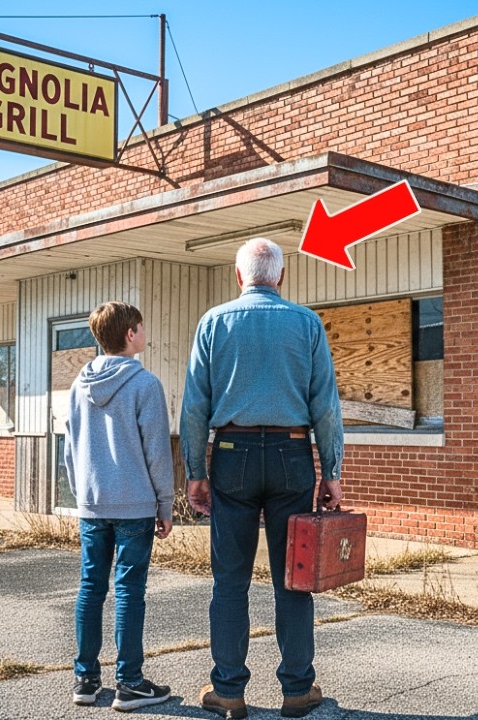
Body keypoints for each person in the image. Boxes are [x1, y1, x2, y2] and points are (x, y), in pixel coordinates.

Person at [181, 237, 344, 719]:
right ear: (281, 277)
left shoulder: (214, 322)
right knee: (293, 577)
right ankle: (297, 689)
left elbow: (194, 406)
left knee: (230, 580)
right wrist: (332, 471)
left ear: (239, 277)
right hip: (293, 454)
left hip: (232, 453)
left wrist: (195, 472)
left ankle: (229, 690)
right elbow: (325, 406)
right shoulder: (307, 323)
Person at [64, 300, 175, 712]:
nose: (144, 333)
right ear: (130, 334)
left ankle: (85, 680)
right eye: (141, 327)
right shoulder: (145, 384)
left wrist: (82, 495)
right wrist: (166, 504)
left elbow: (70, 449)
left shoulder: (78, 385)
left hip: (92, 504)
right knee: (129, 591)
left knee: (90, 588)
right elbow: (157, 452)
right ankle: (130, 683)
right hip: (135, 506)